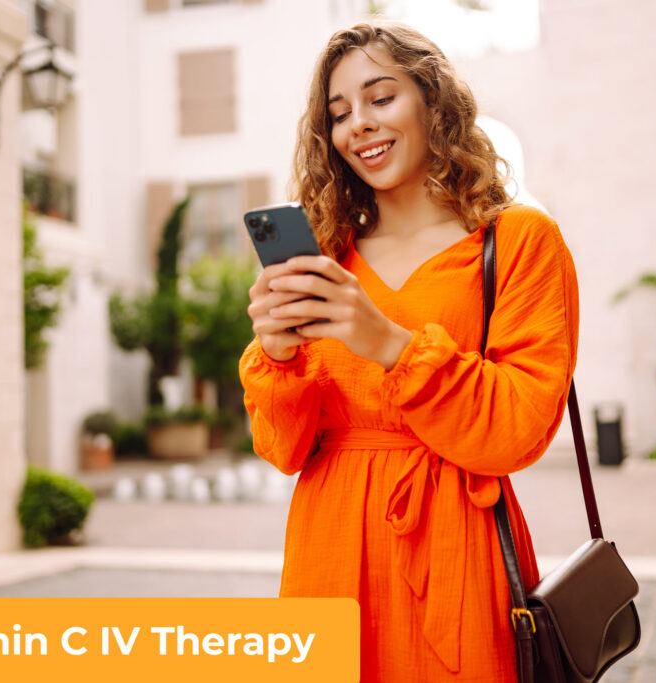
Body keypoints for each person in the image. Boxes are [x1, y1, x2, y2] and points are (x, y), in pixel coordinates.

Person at [238, 20, 579, 682]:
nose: (359, 124)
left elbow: (522, 425)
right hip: (328, 554)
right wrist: (276, 358)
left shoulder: (518, 240)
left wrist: (392, 346)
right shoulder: (327, 258)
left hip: (455, 547)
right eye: (340, 113)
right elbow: (282, 449)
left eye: (381, 97)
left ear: (432, 100)